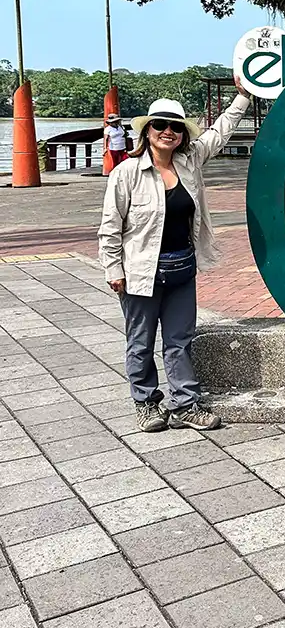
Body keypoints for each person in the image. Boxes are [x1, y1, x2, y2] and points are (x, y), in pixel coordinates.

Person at [97, 81, 251, 432]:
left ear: (183, 134)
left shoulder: (189, 161)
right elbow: (110, 226)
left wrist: (243, 96)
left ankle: (185, 404)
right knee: (140, 342)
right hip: (140, 273)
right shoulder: (127, 173)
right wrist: (112, 268)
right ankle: (146, 403)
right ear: (147, 131)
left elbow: (219, 132)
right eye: (160, 125)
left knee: (179, 341)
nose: (168, 132)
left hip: (182, 268)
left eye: (176, 127)